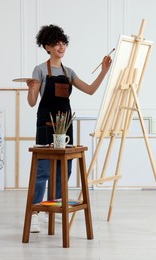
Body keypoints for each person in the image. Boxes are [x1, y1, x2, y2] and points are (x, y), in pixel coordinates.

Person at [26, 24, 112, 233]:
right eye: (56, 44)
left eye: (63, 43)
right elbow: (32, 102)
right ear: (47, 46)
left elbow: (90, 90)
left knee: (65, 169)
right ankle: (35, 214)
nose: (61, 47)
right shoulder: (39, 70)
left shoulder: (69, 72)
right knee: (43, 170)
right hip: (46, 125)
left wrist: (104, 71)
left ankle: (54, 209)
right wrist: (31, 88)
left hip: (66, 126)